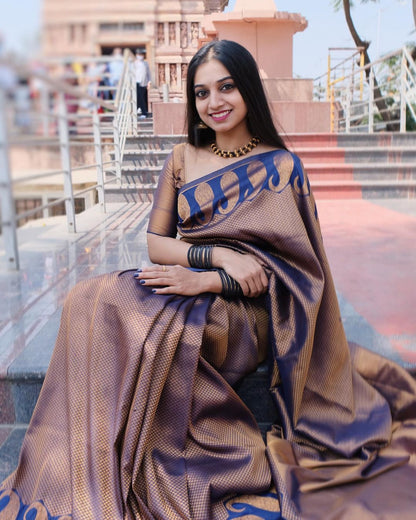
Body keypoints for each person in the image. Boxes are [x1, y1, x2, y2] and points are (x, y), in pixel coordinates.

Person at [1, 40, 416, 520]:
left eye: (227, 87)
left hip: (244, 310)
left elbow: (298, 274)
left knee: (134, 315)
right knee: (88, 297)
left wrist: (212, 282)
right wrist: (211, 257)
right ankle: (82, 457)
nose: (214, 102)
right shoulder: (182, 157)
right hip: (190, 277)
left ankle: (133, 456)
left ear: (248, 91)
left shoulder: (282, 168)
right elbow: (158, 243)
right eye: (202, 93)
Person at [135, 49, 151, 118]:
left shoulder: (145, 63)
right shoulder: (134, 63)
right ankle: (143, 112)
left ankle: (143, 112)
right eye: (139, 54)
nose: (140, 56)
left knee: (142, 97)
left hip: (144, 82)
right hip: (136, 82)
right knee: (139, 97)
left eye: (141, 55)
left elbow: (148, 73)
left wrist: (149, 81)